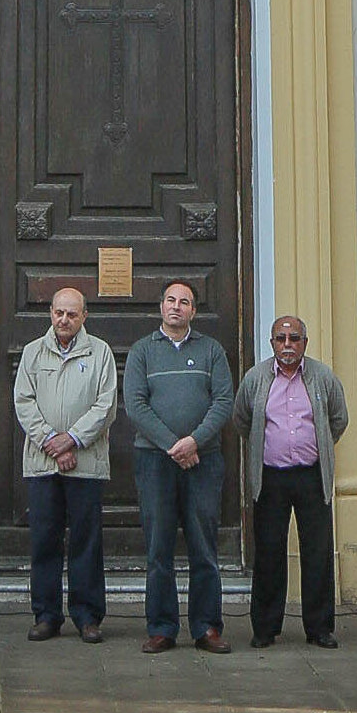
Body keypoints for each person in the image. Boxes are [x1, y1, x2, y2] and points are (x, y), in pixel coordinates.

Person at [127, 279, 237, 655]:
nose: (176, 307)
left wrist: (194, 441)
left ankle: (207, 627)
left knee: (203, 545)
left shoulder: (211, 351)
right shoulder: (142, 350)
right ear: (161, 307)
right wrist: (174, 445)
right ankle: (161, 628)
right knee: (158, 546)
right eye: (171, 300)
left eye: (184, 301)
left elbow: (224, 401)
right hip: (155, 461)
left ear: (194, 310)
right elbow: (136, 405)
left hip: (203, 461)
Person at [15, 287, 120, 643]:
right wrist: (52, 442)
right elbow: (23, 402)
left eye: (72, 314)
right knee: (44, 540)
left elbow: (105, 407)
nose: (64, 320)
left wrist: (73, 439)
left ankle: (87, 616)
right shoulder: (32, 352)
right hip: (43, 464)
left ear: (84, 317)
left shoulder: (101, 353)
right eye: (59, 312)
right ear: (50, 313)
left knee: (86, 541)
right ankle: (46, 615)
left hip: (86, 463)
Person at [240, 315, 351, 651]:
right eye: (280, 339)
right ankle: (265, 628)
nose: (287, 346)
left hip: (310, 476)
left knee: (317, 553)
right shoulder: (257, 378)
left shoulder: (322, 377)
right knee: (269, 553)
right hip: (270, 477)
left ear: (305, 342)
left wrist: (315, 445)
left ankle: (319, 628)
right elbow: (243, 420)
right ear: (271, 342)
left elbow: (338, 419)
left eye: (294, 339)